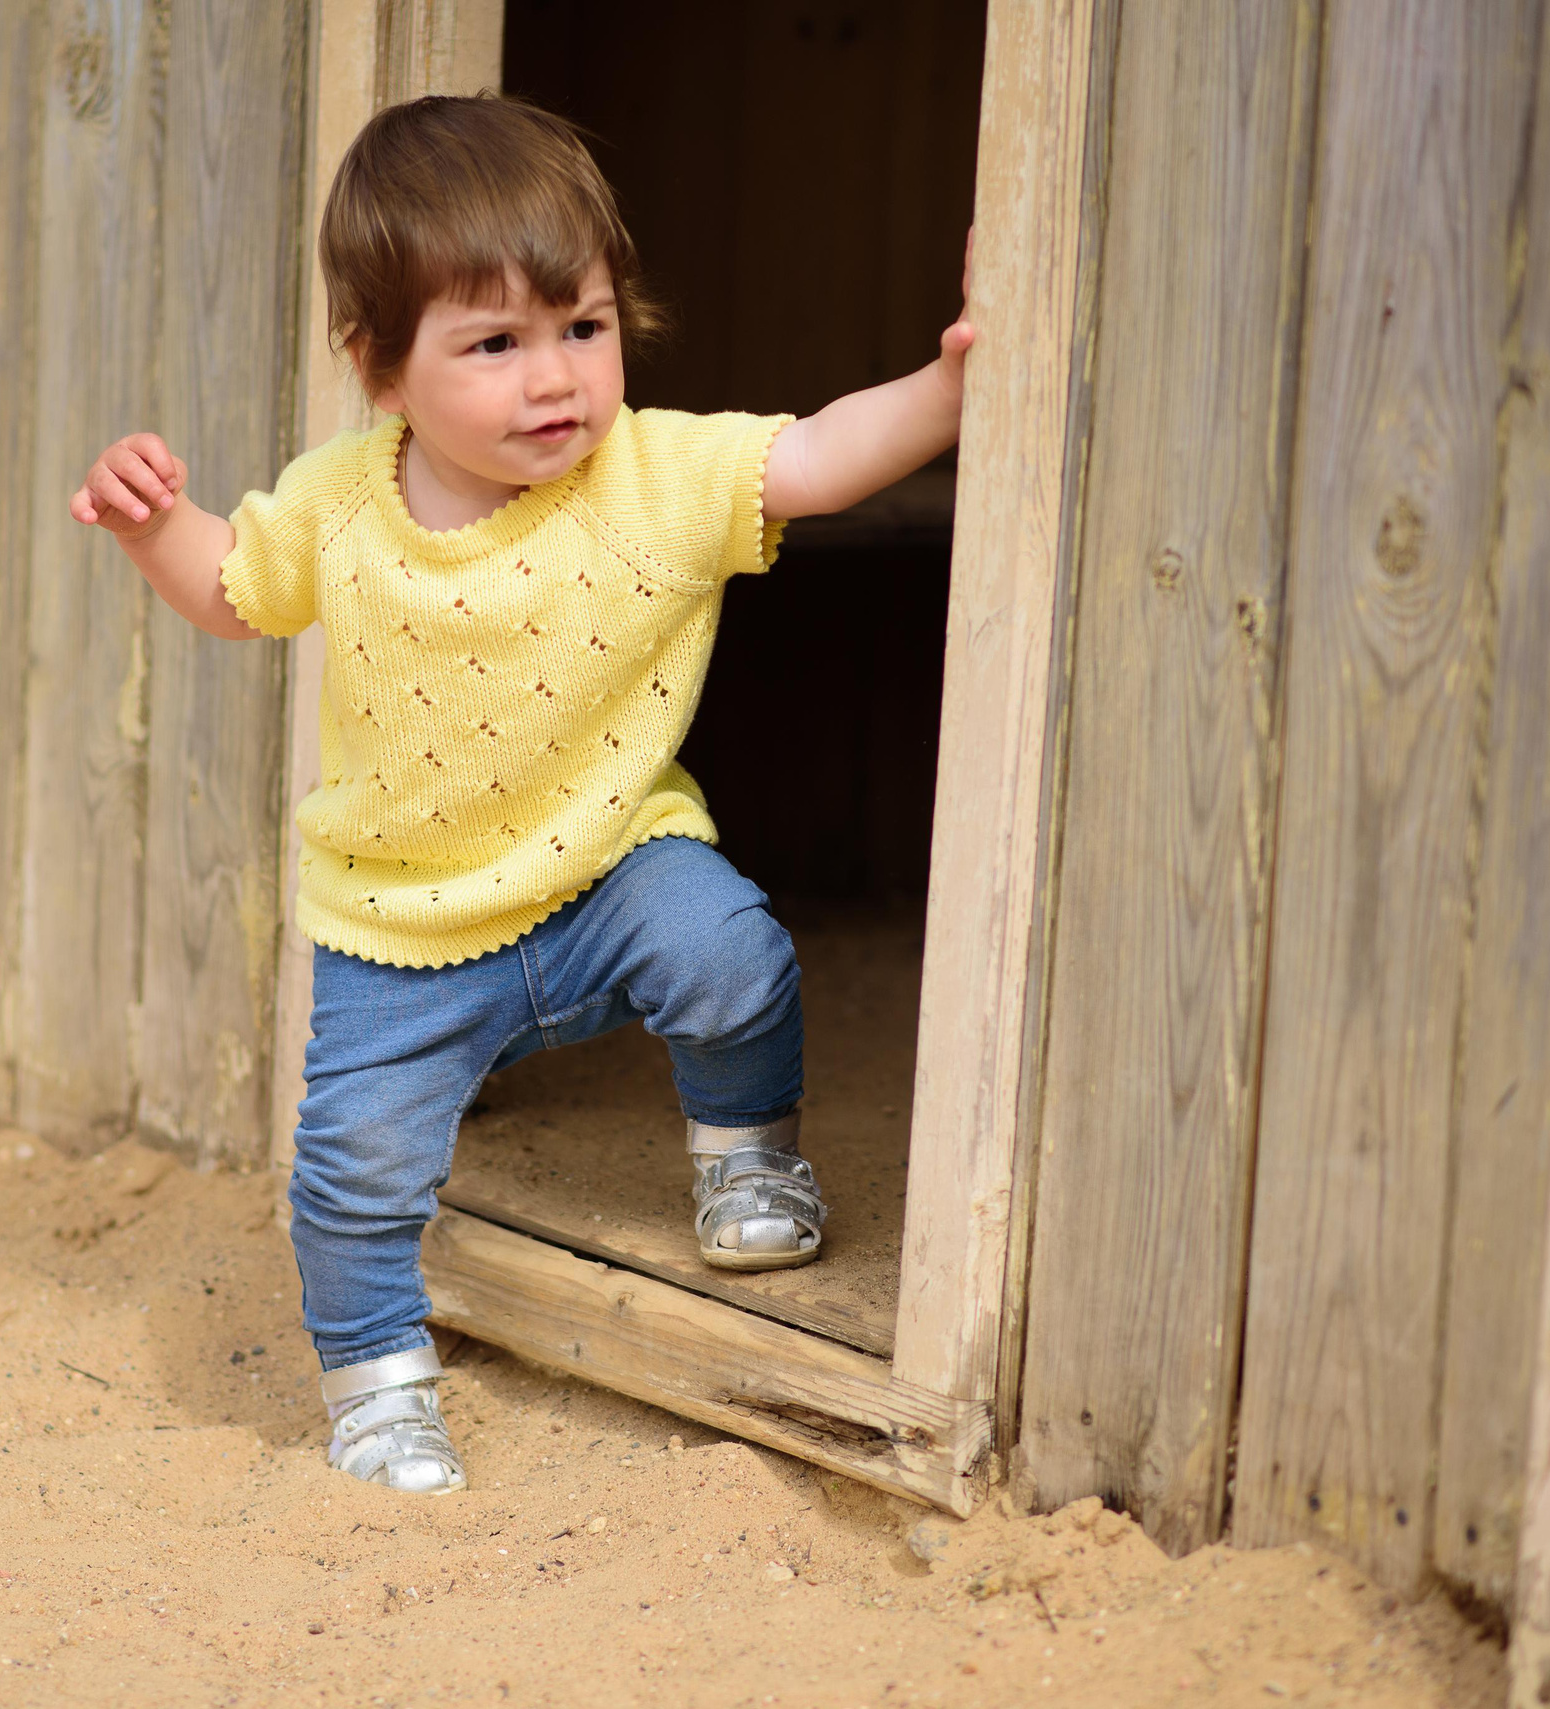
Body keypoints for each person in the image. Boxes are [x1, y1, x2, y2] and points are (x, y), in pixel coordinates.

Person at [70, 93, 972, 1494]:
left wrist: (948, 388)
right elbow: (233, 596)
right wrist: (152, 526)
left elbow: (814, 458)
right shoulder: (338, 504)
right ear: (380, 368)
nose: (554, 378)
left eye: (584, 327)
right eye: (494, 344)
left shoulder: (653, 470)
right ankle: (374, 1381)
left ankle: (748, 1155)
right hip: (403, 921)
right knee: (354, 1169)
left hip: (613, 864)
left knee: (734, 955)